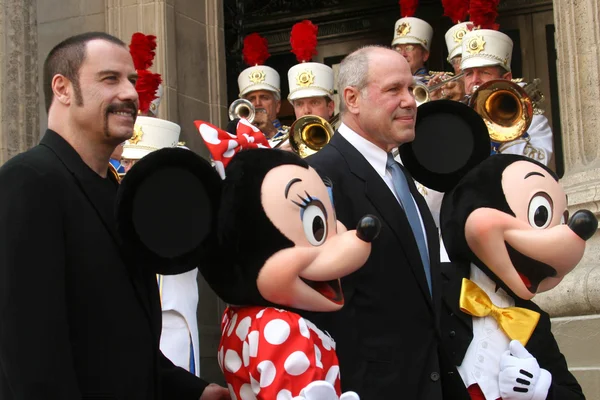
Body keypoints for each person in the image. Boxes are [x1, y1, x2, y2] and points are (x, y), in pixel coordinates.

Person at [0, 32, 228, 400]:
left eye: (132, 81)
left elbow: (122, 344)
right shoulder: (28, 182)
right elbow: (32, 357)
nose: (131, 94)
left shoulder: (115, 191)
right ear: (62, 88)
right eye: (111, 79)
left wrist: (196, 392)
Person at [302, 45, 468, 399]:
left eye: (410, 88)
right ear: (353, 98)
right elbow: (321, 303)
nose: (410, 101)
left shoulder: (399, 175)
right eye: (394, 89)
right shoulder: (320, 177)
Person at [121, 115, 201, 377]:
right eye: (127, 162)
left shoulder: (185, 205)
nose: (129, 171)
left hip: (171, 324)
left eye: (138, 164)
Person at [460, 29, 553, 165]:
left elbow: (536, 164)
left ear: (506, 78)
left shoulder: (534, 121)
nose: (475, 80)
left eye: (484, 72)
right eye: (468, 74)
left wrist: (506, 126)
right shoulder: (455, 118)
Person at [428, 21, 477, 102]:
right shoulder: (449, 89)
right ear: (452, 65)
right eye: (459, 60)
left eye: (469, 59)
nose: (465, 66)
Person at [391, 16, 434, 82]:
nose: (403, 54)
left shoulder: (434, 84)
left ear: (425, 55)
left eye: (408, 48)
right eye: (398, 49)